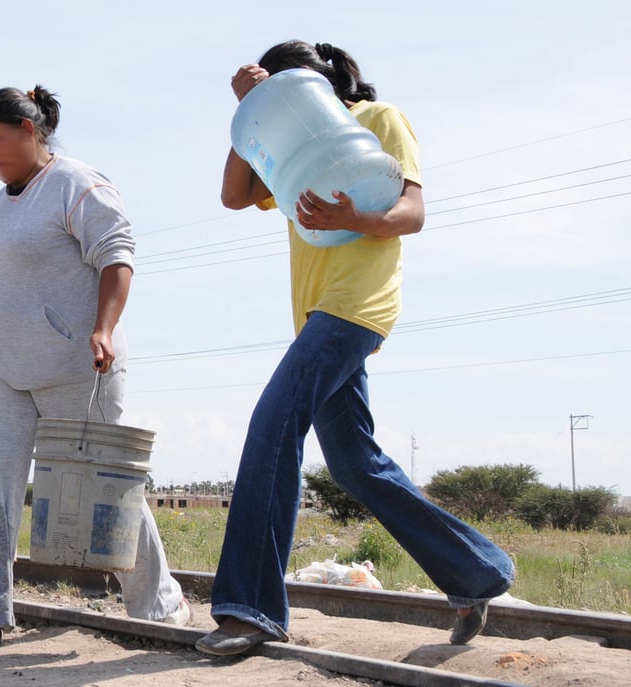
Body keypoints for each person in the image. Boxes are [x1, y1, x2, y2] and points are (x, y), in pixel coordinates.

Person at [195, 41, 515, 656]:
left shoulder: (377, 119)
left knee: (273, 422)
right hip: (316, 313)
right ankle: (477, 573)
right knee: (352, 463)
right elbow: (235, 196)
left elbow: (413, 212)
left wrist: (360, 217)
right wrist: (253, 113)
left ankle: (251, 610)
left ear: (319, 81)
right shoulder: (286, 146)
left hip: (357, 305)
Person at [0, 84, 190, 656]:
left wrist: (104, 328)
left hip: (77, 365)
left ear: (30, 131)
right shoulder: (1, 202)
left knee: (101, 491)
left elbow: (117, 254)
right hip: (5, 370)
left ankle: (161, 606)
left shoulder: (76, 185)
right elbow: (11, 287)